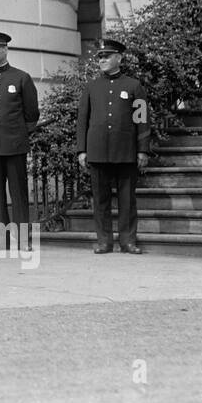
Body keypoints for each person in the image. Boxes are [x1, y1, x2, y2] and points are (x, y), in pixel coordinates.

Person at [77, 38, 151, 254]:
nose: (102, 60)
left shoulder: (133, 86)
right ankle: (104, 241)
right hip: (97, 151)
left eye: (106, 56)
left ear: (119, 58)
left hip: (126, 151)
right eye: (100, 56)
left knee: (127, 199)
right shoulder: (91, 87)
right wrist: (81, 150)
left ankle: (128, 240)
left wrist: (142, 149)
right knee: (100, 200)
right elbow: (82, 119)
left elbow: (142, 119)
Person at [0, 31, 40, 248]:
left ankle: (23, 239)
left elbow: (32, 114)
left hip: (14, 146)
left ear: (5, 49)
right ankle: (1, 240)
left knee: (18, 194)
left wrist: (18, 135)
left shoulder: (21, 77)